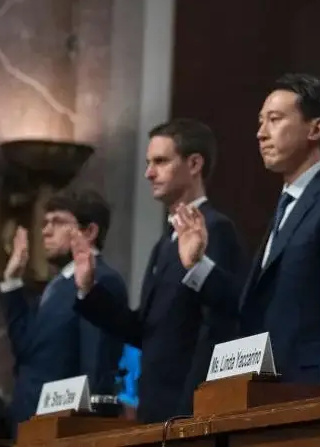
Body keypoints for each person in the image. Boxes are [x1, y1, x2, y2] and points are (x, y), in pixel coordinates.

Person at [194, 74, 320, 390]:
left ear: (316, 128)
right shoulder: (287, 204)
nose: (260, 133)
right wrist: (197, 264)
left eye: (275, 120)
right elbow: (256, 304)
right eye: (260, 122)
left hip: (314, 392)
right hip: (271, 389)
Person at [73, 119, 246, 423]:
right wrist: (90, 290)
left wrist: (191, 407)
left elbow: (221, 322)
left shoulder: (216, 229)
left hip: (189, 409)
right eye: (148, 163)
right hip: (154, 407)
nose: (148, 173)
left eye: (161, 161)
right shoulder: (164, 244)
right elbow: (147, 330)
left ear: (194, 163)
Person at [0, 189, 127, 434]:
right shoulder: (57, 285)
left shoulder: (102, 280)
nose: (45, 231)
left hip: (65, 430)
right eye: (45, 223)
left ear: (89, 232)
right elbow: (27, 350)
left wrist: (88, 427)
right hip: (33, 425)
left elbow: (95, 366)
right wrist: (12, 282)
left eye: (57, 222)